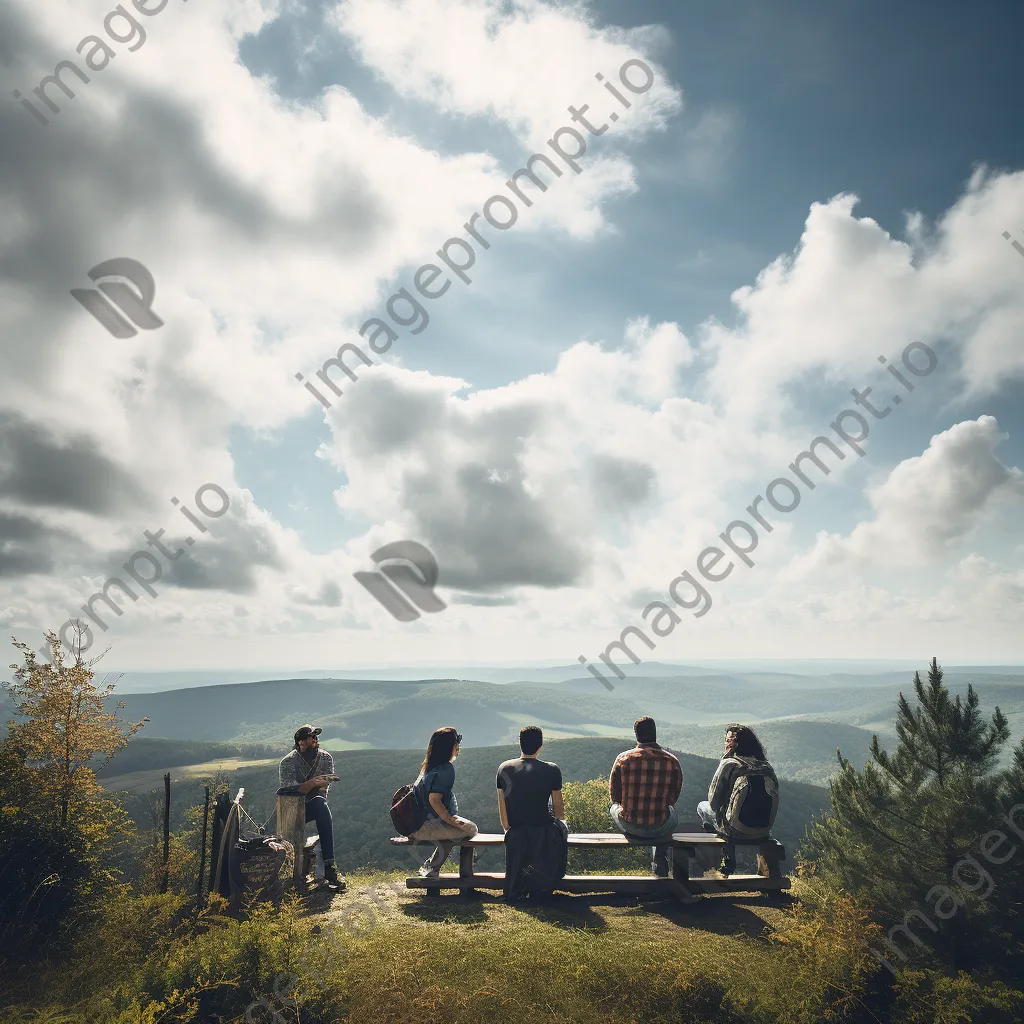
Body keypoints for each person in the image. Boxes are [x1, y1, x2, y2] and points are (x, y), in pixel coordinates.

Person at [696, 724, 779, 876]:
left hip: (735, 830)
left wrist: (724, 760)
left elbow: (713, 804)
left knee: (702, 807)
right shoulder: (766, 766)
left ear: (734, 744)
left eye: (729, 740)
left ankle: (727, 855)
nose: (726, 743)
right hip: (764, 830)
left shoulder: (729, 764)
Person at [497, 726, 568, 901]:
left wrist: (508, 829)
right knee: (563, 830)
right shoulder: (552, 769)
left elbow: (502, 805)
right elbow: (558, 807)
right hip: (543, 829)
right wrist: (561, 825)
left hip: (517, 829)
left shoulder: (504, 768)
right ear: (540, 745)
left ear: (520, 743)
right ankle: (552, 876)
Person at [609, 717, 682, 877]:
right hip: (660, 826)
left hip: (630, 825)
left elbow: (614, 796)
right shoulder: (672, 761)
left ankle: (656, 856)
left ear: (636, 735)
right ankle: (659, 857)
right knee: (670, 811)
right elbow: (673, 797)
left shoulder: (623, 759)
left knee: (613, 807)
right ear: (655, 733)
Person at [278, 724, 344, 887]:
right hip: (291, 808)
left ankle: (330, 866)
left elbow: (323, 789)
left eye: (316, 737)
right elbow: (290, 789)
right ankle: (296, 872)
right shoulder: (287, 762)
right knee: (318, 806)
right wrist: (313, 783)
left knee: (321, 806)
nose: (316, 739)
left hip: (314, 804)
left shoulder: (326, 758)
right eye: (311, 737)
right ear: (300, 742)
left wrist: (310, 786)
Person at [408, 726, 479, 879]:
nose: (458, 747)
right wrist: (451, 820)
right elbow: (434, 800)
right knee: (471, 829)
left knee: (455, 830)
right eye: (456, 743)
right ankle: (432, 868)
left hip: (415, 824)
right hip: (426, 827)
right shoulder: (446, 769)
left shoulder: (427, 767)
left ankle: (431, 867)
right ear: (450, 747)